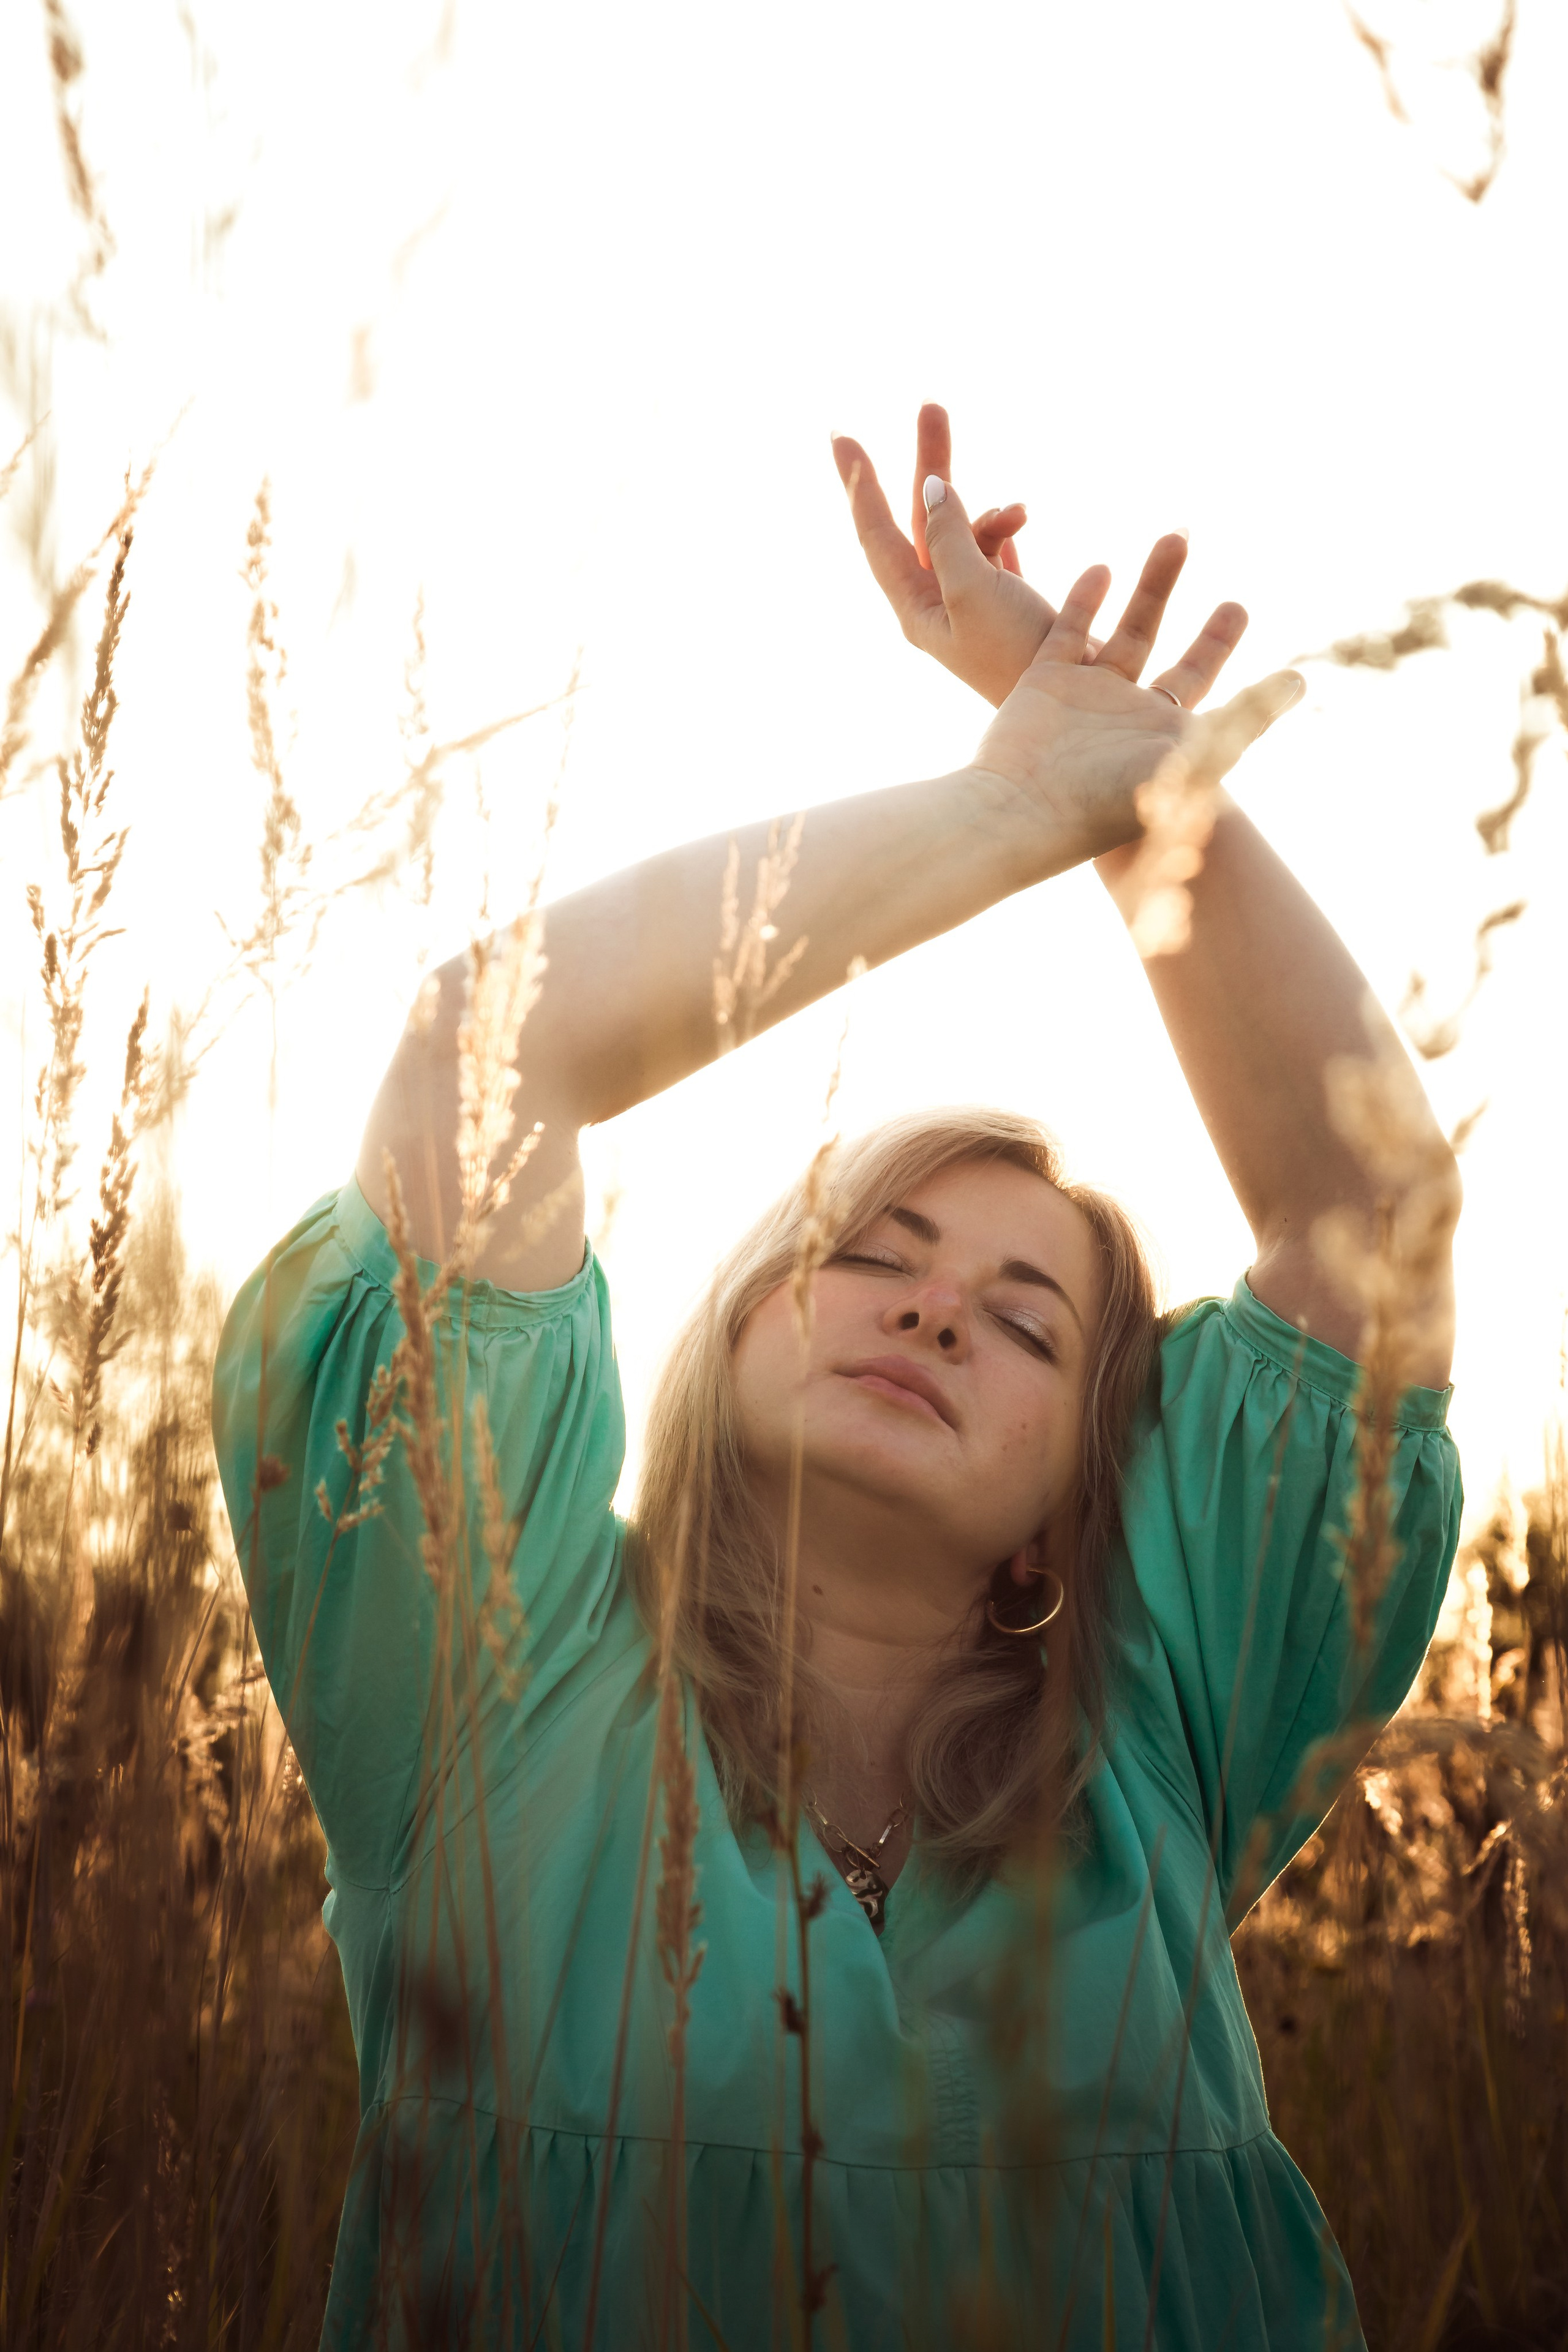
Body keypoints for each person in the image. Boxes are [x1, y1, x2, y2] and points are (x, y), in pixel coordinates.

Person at [213, 407, 1463, 2350]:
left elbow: (1360, 1219)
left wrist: (1168, 813)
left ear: (1089, 1482)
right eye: (867, 1256)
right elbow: (491, 1058)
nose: (937, 1309)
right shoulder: (488, 1702)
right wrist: (1019, 804)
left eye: (1028, 1320)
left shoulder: (1163, 1746)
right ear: (720, 1337)